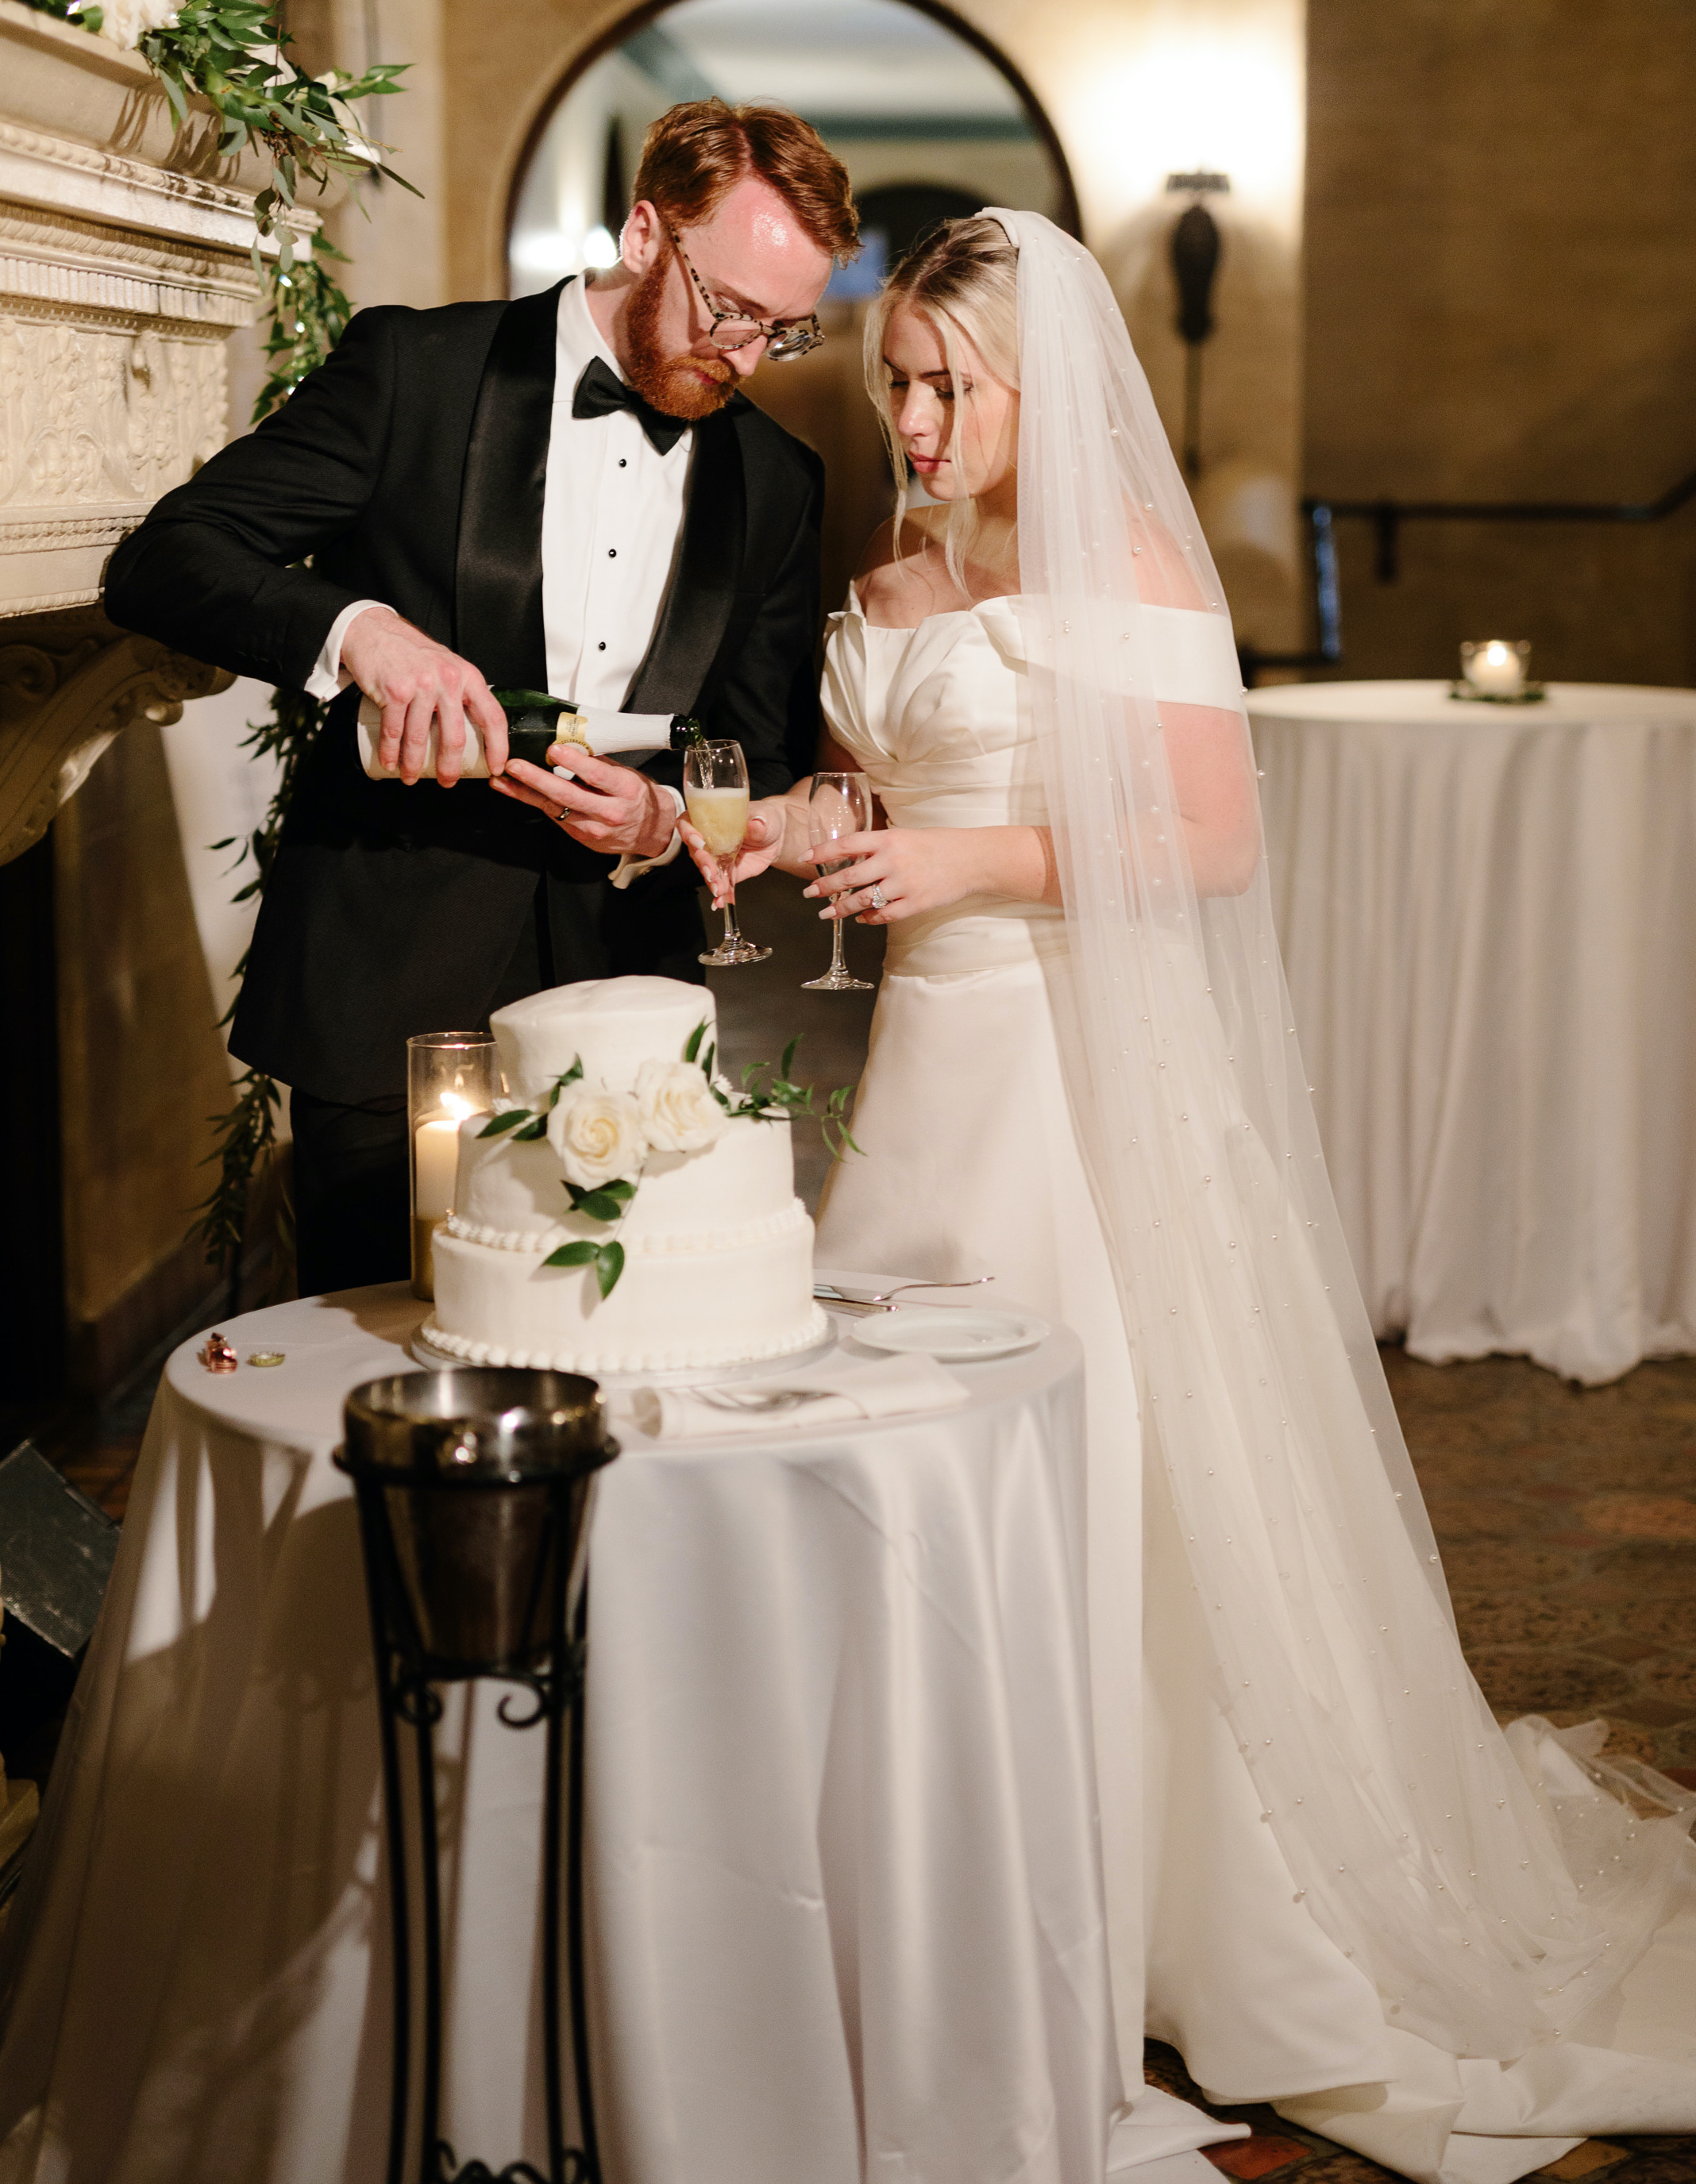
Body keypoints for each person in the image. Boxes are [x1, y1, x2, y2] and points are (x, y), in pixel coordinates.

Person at [684, 212, 1696, 2183]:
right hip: (914, 1086)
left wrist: (967, 870)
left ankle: (1158, 1894)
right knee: (903, 1470)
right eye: (899, 378)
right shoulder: (886, 572)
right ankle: (943, 1878)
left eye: (951, 385)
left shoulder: (1131, 573)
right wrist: (811, 826)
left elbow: (1212, 844)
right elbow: (859, 797)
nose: (916, 416)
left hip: (1071, 1087)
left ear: (1042, 391)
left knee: (1114, 1484)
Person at [103, 100, 854, 1296]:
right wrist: (363, 634)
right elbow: (166, 558)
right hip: (388, 964)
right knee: (370, 1344)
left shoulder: (777, 477)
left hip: (626, 989)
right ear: (647, 234)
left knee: (601, 1335)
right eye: (730, 309)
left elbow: (756, 748)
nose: (749, 355)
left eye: (786, 329)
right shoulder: (419, 372)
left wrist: (666, 821)